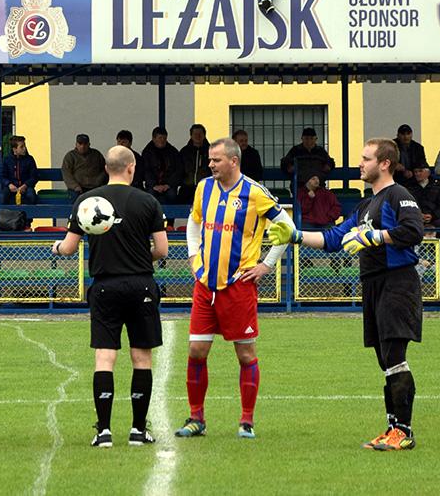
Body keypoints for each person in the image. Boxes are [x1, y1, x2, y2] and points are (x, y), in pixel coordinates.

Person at [270, 138, 424, 452]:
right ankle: (392, 428)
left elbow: (413, 231)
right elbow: (335, 238)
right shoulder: (365, 205)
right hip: (373, 284)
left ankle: (403, 432)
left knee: (395, 357)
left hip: (397, 283)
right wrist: (296, 235)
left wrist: (375, 236)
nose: (360, 164)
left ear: (384, 163)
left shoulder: (398, 195)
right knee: (385, 360)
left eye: (366, 159)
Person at [176, 137, 295, 440]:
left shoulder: (254, 192)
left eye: (216, 160)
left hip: (238, 287)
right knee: (196, 351)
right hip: (205, 284)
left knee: (245, 354)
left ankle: (246, 421)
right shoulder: (204, 188)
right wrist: (193, 255)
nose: (210, 165)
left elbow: (287, 228)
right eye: (210, 160)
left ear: (233, 161)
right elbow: (194, 222)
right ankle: (196, 418)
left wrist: (267, 264)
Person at [52, 146, 168, 447]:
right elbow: (162, 249)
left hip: (105, 287)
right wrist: (139, 258)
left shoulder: (86, 201)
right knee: (141, 357)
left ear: (106, 168)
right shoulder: (148, 201)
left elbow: (68, 247)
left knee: (105, 357)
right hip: (141, 285)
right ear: (131, 167)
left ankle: (103, 431)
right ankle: (138, 430)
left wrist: (57, 248)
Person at [141, 126, 183, 205]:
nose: (162, 140)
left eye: (164, 138)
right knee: (150, 196)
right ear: (154, 138)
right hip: (152, 186)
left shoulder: (173, 152)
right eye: (160, 138)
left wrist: (168, 185)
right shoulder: (147, 153)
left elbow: (178, 170)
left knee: (172, 195)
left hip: (169, 186)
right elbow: (146, 171)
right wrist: (154, 185)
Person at [62, 133, 107, 199]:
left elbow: (105, 169)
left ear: (89, 144)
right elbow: (66, 173)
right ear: (76, 144)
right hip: (78, 189)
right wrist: (75, 186)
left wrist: (100, 181)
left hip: (96, 188)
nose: (82, 146)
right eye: (80, 144)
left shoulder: (96, 154)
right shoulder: (70, 156)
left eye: (85, 144)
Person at [178, 124, 211, 205]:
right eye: (195, 134)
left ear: (204, 135)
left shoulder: (211, 151)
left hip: (206, 187)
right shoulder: (184, 152)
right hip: (187, 187)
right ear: (191, 135)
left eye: (200, 134)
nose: (198, 136)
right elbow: (179, 169)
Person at [409, 164, 440, 231]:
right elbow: (407, 205)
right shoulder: (410, 188)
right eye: (415, 172)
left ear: (428, 173)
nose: (417, 174)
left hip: (434, 217)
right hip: (415, 218)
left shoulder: (437, 187)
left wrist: (432, 216)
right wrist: (418, 215)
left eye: (420, 171)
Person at [3, 135, 39, 204]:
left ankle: (27, 211)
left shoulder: (30, 159)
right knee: (2, 196)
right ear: (15, 149)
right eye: (21, 147)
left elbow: (34, 176)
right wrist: (9, 184)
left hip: (26, 187)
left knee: (31, 196)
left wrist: (25, 185)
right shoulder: (7, 160)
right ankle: (6, 211)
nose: (24, 148)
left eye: (24, 146)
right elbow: (3, 176)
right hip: (11, 187)